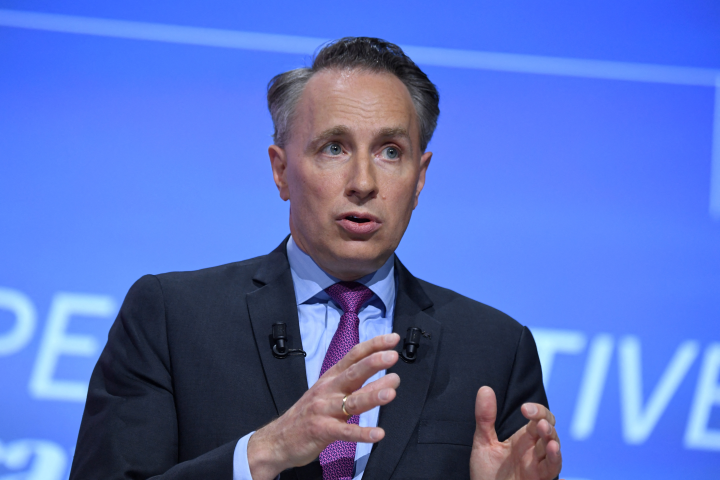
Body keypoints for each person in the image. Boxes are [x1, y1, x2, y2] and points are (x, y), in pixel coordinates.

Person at [69, 37, 563, 480]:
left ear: (420, 178)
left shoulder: (496, 349)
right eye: (334, 147)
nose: (364, 182)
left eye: (391, 151)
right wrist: (263, 452)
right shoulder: (172, 317)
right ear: (281, 171)